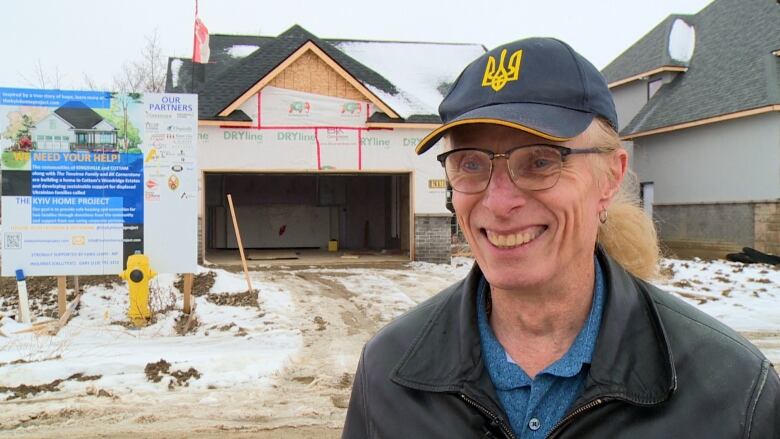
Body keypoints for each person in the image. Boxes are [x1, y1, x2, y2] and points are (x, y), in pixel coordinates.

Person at [341, 37, 779, 438]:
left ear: (610, 178)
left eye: (540, 161)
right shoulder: (388, 374)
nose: (498, 201)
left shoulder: (734, 391)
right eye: (471, 164)